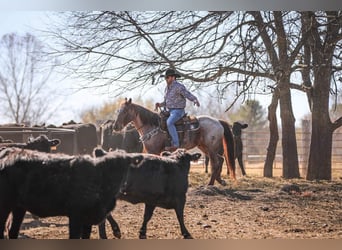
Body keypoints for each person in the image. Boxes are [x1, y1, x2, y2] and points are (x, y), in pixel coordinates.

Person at [155, 68, 200, 152]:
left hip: (178, 111)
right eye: (165, 78)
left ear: (172, 77)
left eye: (167, 77)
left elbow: (187, 94)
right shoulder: (167, 89)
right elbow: (167, 102)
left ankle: (176, 144)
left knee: (169, 122)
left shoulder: (179, 87)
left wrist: (194, 99)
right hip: (170, 111)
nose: (166, 79)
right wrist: (160, 104)